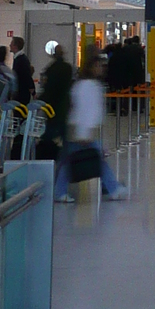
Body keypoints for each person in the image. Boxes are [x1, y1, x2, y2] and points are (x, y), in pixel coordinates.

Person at [54, 51, 126, 202]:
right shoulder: (88, 86)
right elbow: (85, 110)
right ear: (92, 67)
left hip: (79, 129)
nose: (102, 69)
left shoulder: (84, 84)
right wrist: (84, 133)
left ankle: (60, 191)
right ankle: (112, 188)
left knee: (70, 161)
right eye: (99, 66)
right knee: (92, 160)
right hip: (81, 130)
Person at [40, 44, 74, 144]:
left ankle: (46, 148)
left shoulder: (50, 69)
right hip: (63, 103)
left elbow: (47, 87)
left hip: (52, 104)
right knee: (63, 130)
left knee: (50, 130)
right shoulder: (68, 68)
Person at [10, 37, 34, 106]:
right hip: (21, 93)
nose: (9, 45)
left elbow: (27, 76)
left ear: (15, 46)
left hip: (22, 94)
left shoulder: (21, 60)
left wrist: (32, 90)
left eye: (11, 43)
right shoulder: (20, 59)